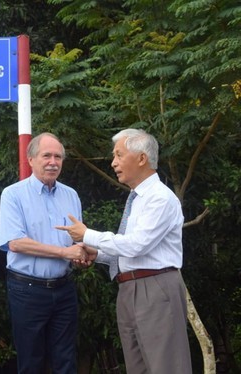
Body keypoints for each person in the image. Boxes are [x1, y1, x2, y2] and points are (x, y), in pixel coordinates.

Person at [57, 128, 192, 373]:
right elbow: (132, 249)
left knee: (166, 366)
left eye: (119, 155)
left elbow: (137, 244)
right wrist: (96, 253)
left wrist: (88, 235)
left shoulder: (160, 198)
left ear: (142, 158)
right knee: (137, 367)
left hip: (156, 287)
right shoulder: (138, 198)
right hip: (129, 287)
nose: (113, 162)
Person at [0, 132, 87, 373]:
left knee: (66, 360)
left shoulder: (71, 195)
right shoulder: (13, 194)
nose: (53, 162)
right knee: (30, 361)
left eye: (58, 157)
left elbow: (76, 241)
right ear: (31, 159)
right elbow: (15, 242)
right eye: (46, 155)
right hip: (27, 290)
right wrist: (64, 253)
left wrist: (81, 256)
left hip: (64, 287)